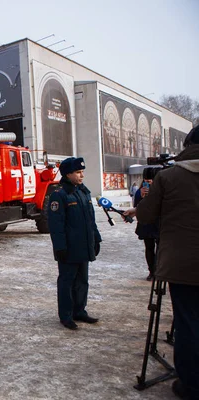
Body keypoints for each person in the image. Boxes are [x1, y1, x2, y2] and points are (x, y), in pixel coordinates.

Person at [134, 125, 199, 400]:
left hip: (183, 266)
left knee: (188, 323)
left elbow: (147, 215)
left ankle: (192, 385)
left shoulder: (169, 177)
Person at [48, 157, 102, 330]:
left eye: (82, 172)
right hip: (69, 248)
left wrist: (96, 238)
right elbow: (56, 225)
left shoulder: (83, 192)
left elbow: (90, 220)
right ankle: (66, 315)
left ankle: (79, 311)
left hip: (84, 246)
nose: (82, 175)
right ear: (68, 174)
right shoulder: (60, 194)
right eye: (78, 172)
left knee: (82, 281)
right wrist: (60, 247)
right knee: (67, 282)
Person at [134, 168, 160, 281]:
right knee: (149, 248)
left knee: (160, 248)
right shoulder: (139, 192)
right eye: (146, 181)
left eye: (150, 181)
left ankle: (159, 270)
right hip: (146, 223)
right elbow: (136, 207)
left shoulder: (161, 190)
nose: (147, 183)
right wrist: (142, 197)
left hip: (159, 223)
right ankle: (152, 271)